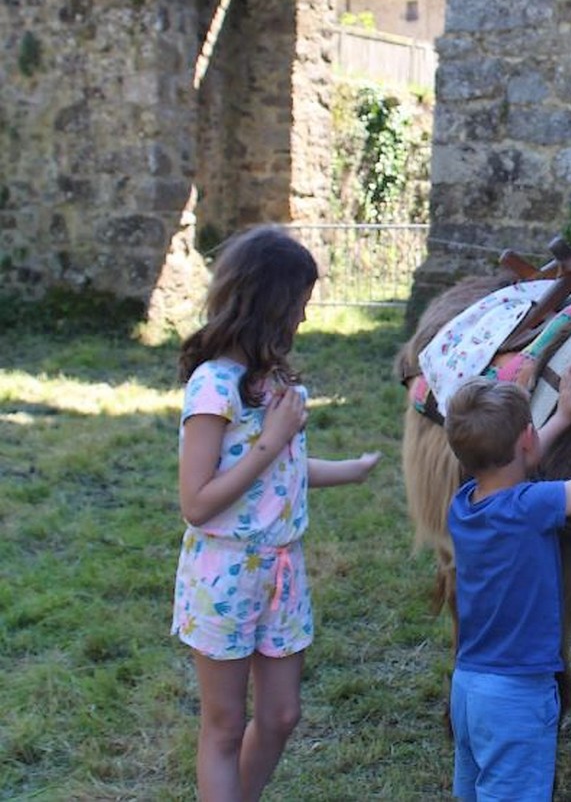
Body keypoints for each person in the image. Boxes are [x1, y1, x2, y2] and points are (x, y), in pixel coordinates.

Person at [171, 225, 381, 802]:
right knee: (223, 725)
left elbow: (281, 473)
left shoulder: (274, 384)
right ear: (267, 304)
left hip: (282, 574)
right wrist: (272, 439)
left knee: (282, 714)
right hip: (226, 575)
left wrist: (351, 469)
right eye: (299, 306)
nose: (304, 320)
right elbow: (196, 502)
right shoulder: (214, 387)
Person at [444, 364, 571, 802]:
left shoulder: (464, 505)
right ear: (527, 440)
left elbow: (514, 460)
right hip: (517, 695)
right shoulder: (531, 506)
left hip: (469, 687)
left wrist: (562, 419)